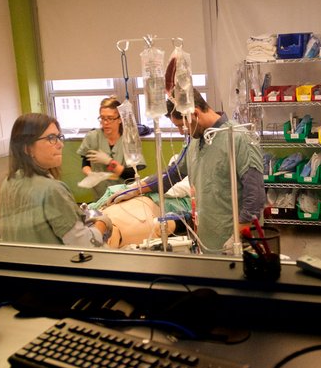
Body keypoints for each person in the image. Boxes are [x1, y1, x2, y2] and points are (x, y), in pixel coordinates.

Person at [109, 89, 265, 254]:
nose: (181, 132)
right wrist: (135, 189)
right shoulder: (195, 142)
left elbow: (255, 196)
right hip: (206, 238)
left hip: (232, 241)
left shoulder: (239, 138)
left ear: (195, 114)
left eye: (181, 126)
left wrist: (237, 236)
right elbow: (173, 174)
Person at [0, 113, 112, 247]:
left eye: (59, 137)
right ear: (28, 148)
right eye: (51, 138)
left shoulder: (8, 182)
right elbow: (84, 244)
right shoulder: (52, 189)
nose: (60, 144)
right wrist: (103, 223)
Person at [77, 97, 146, 200]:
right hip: (100, 195)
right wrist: (91, 174)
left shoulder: (129, 139)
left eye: (110, 118)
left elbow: (131, 174)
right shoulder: (92, 137)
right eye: (102, 118)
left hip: (124, 195)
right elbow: (85, 163)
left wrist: (110, 162)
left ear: (119, 119)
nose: (105, 123)